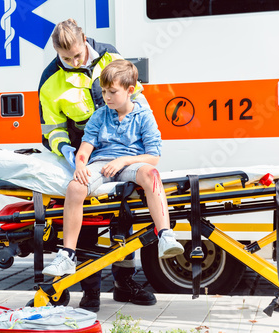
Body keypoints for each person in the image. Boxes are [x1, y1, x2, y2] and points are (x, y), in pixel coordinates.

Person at [42, 60, 185, 309]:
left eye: (112, 92)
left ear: (130, 90)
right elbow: (86, 147)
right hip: (102, 165)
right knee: (75, 187)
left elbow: (153, 156)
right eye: (104, 92)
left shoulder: (144, 115)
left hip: (129, 163)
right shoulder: (99, 116)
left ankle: (165, 236)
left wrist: (124, 161)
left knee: (151, 173)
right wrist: (80, 164)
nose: (106, 97)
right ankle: (67, 255)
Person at [38, 19, 156, 312]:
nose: (74, 62)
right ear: (56, 52)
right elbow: (52, 129)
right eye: (66, 58)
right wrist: (69, 153)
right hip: (86, 152)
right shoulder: (50, 80)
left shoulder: (110, 57)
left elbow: (135, 96)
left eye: (77, 55)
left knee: (124, 216)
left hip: (125, 149)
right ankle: (90, 291)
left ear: (85, 41)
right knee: (89, 219)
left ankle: (124, 284)